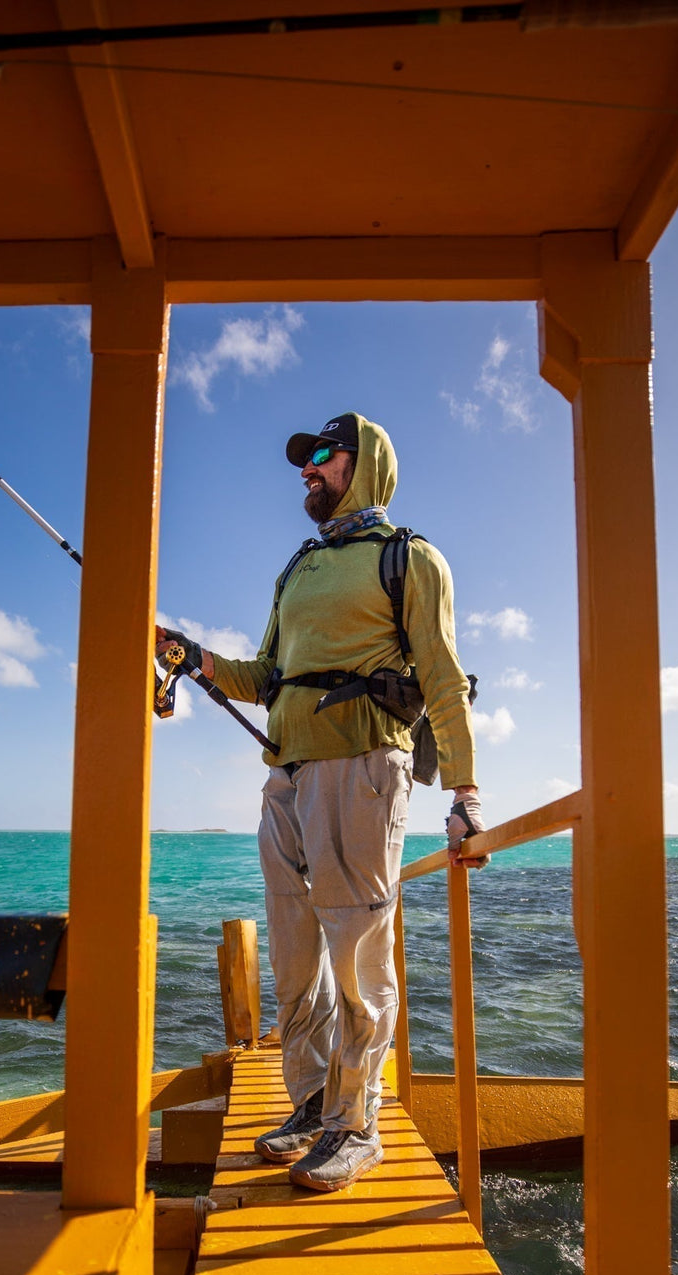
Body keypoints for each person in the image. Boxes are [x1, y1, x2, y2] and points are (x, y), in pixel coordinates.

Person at [157, 412, 484, 1193]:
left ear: (364, 463)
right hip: (287, 778)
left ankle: (356, 1124)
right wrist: (191, 656)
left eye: (324, 457)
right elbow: (265, 676)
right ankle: (310, 1104)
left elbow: (442, 674)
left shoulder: (410, 557)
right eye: (305, 461)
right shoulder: (298, 567)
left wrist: (466, 793)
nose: (309, 470)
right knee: (295, 956)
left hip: (365, 771)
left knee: (359, 953)